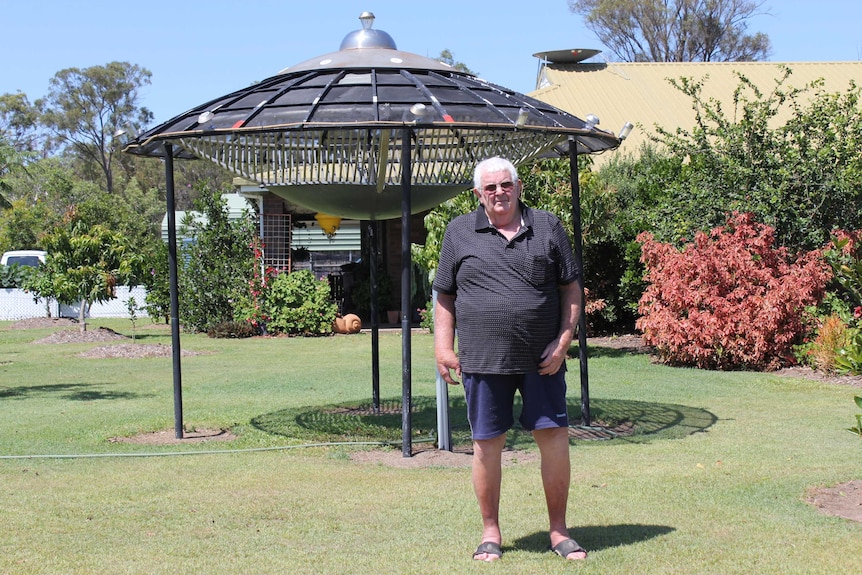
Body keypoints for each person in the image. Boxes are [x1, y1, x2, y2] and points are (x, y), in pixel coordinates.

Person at [433, 156, 586, 562]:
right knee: (486, 446)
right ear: (478, 194)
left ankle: (558, 531)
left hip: (543, 359)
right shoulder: (459, 232)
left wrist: (564, 340)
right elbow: (444, 296)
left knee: (553, 440)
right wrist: (443, 347)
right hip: (482, 360)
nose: (499, 193)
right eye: (490, 188)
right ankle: (490, 533)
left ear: (518, 186)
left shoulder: (548, 226)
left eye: (505, 185)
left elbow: (571, 289)